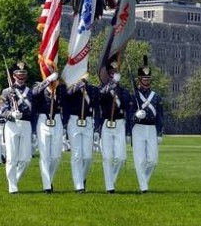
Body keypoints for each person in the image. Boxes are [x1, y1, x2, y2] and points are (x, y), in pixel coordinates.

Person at [0, 61, 54, 194]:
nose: (22, 76)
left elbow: (40, 90)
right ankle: (13, 188)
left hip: (26, 125)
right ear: (13, 75)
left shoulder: (30, 91)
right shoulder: (7, 91)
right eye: (19, 73)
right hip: (12, 125)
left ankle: (14, 180)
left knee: (26, 159)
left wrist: (49, 79)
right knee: (12, 158)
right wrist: (11, 114)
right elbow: (2, 109)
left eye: (24, 73)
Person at [97, 61, 132, 194]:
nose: (114, 75)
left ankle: (111, 179)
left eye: (116, 73)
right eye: (111, 73)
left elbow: (128, 112)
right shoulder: (102, 89)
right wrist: (111, 84)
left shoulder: (124, 92)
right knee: (107, 157)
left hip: (119, 125)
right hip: (107, 124)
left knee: (121, 157)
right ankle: (110, 186)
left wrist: (128, 131)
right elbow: (101, 96)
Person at [130, 56, 164, 193]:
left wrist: (160, 132)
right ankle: (144, 187)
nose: (146, 81)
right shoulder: (134, 95)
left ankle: (144, 181)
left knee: (153, 160)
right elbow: (129, 115)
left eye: (148, 79)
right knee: (140, 160)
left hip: (151, 129)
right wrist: (135, 116)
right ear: (139, 80)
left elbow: (160, 116)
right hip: (138, 128)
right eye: (144, 79)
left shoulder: (156, 96)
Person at [63, 75, 100, 193]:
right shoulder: (71, 89)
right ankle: (79, 185)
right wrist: (77, 86)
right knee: (77, 155)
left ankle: (82, 178)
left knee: (88, 157)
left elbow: (97, 109)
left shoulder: (93, 90)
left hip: (88, 122)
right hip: (74, 121)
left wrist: (97, 127)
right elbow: (66, 97)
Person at [33, 70, 63, 194]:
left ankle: (49, 179)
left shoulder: (60, 88)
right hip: (43, 120)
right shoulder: (39, 85)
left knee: (56, 156)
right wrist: (48, 81)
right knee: (45, 155)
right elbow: (34, 93)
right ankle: (47, 186)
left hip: (56, 120)